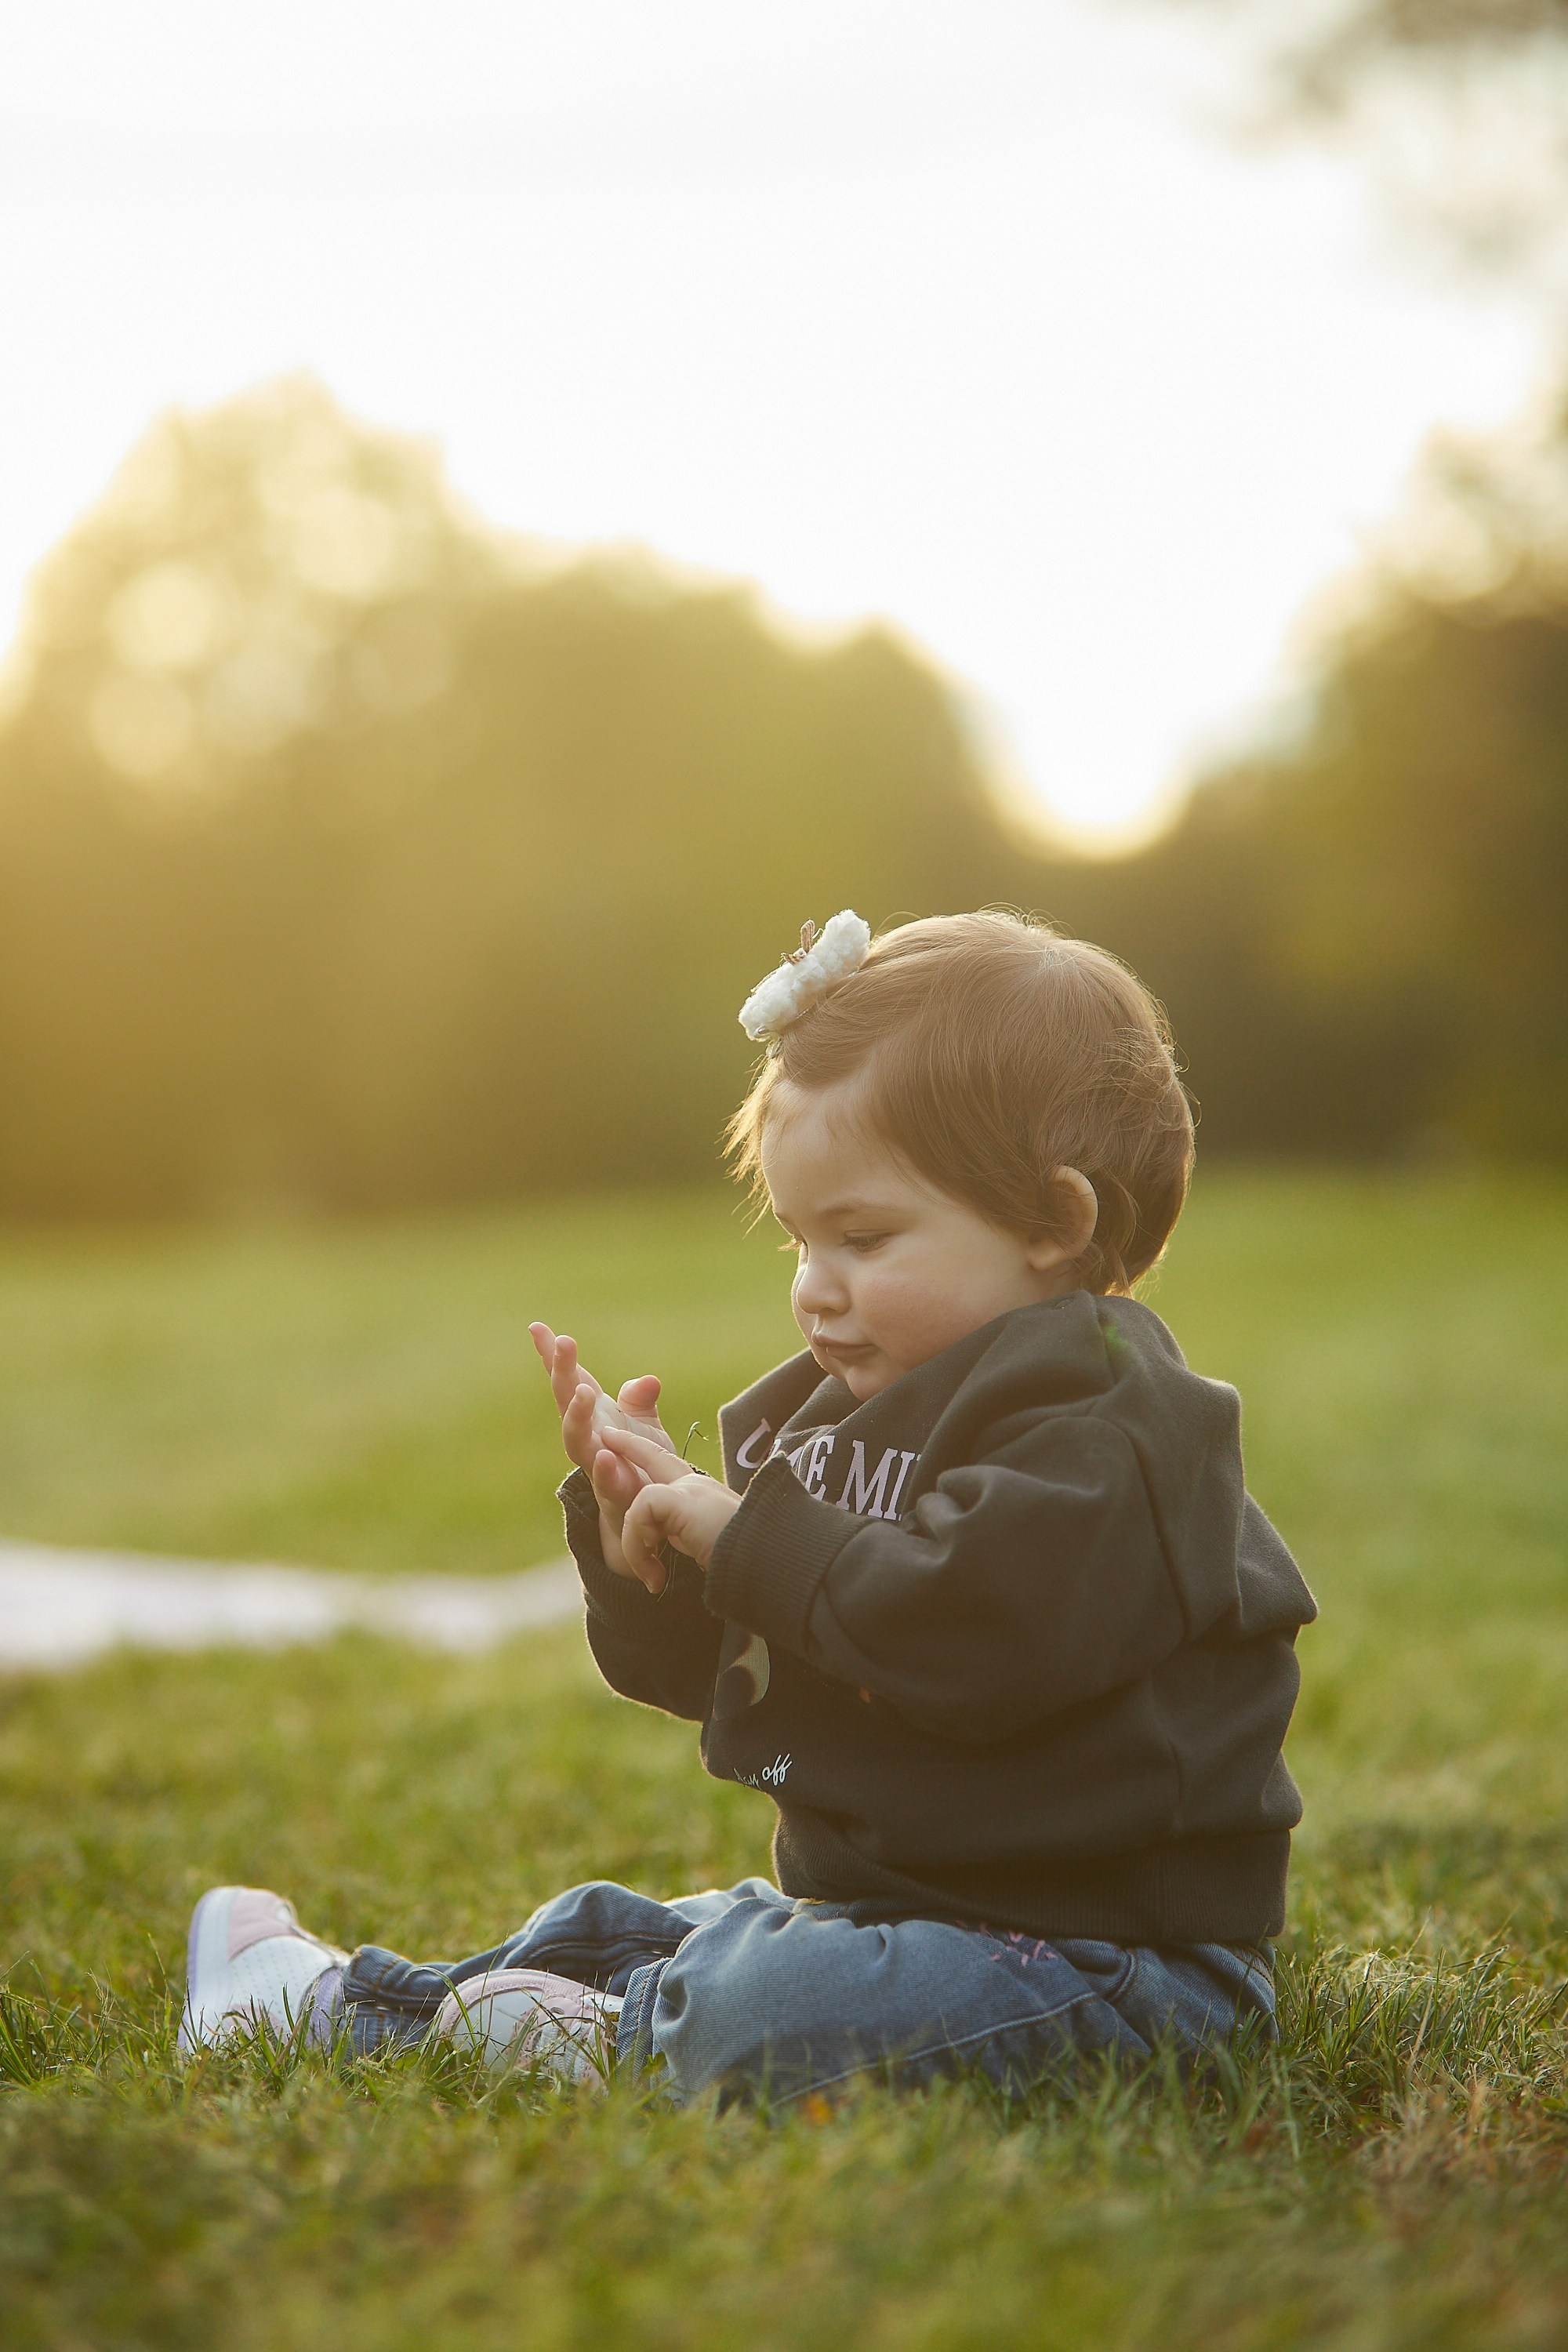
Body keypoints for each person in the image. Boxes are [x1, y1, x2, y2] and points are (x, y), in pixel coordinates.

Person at [179, 909, 1316, 2107]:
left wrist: (745, 1536)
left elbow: (966, 1634)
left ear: (1053, 1223)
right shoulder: (837, 1416)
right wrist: (652, 1550)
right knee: (627, 1933)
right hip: (903, 1917)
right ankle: (332, 2003)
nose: (813, 1293)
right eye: (796, 1240)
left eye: (863, 1238)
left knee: (767, 2003)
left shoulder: (1112, 1431)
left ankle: (590, 2042)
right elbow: (766, 1660)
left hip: (1114, 1969)